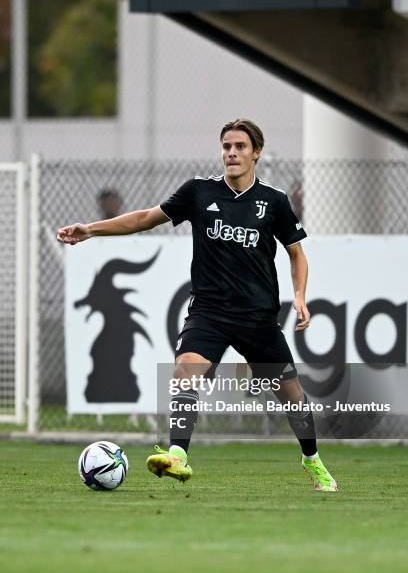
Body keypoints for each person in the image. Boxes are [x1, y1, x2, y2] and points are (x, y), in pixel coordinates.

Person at [57, 119, 338, 492]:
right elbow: (144, 218)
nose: (232, 153)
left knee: (292, 395)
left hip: (257, 318)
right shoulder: (199, 192)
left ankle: (312, 459)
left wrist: (299, 295)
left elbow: (297, 254)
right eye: (226, 146)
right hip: (209, 312)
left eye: (240, 146)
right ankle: (178, 455)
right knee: (186, 369)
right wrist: (91, 230)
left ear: (256, 153)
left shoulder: (274, 202)